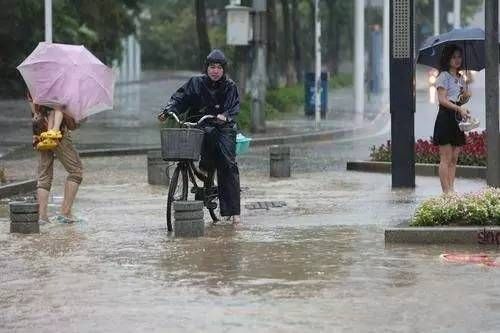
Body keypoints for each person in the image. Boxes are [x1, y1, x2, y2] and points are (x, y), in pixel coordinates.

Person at [158, 49, 241, 224]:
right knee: (189, 143)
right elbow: (179, 98)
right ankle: (203, 167)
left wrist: (224, 116)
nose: (215, 71)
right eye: (212, 66)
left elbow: (233, 108)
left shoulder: (230, 86)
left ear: (224, 69)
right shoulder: (195, 83)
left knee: (227, 164)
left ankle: (233, 212)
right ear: (206, 68)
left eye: (219, 67)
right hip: (200, 125)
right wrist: (168, 110)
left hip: (223, 128)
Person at [27, 92, 83, 224]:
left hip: (39, 130)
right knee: (76, 171)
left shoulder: (33, 80)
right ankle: (65, 213)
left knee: (44, 175)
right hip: (57, 133)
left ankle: (42, 217)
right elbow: (60, 106)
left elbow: (34, 110)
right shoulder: (56, 80)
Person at [432, 45, 471, 194]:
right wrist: (458, 108)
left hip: (457, 118)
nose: (457, 60)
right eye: (454, 57)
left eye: (459, 57)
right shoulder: (443, 76)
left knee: (454, 158)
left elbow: (458, 100)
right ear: (448, 59)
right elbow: (442, 100)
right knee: (446, 157)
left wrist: (464, 100)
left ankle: (452, 189)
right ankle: (446, 192)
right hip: (445, 117)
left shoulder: (461, 78)